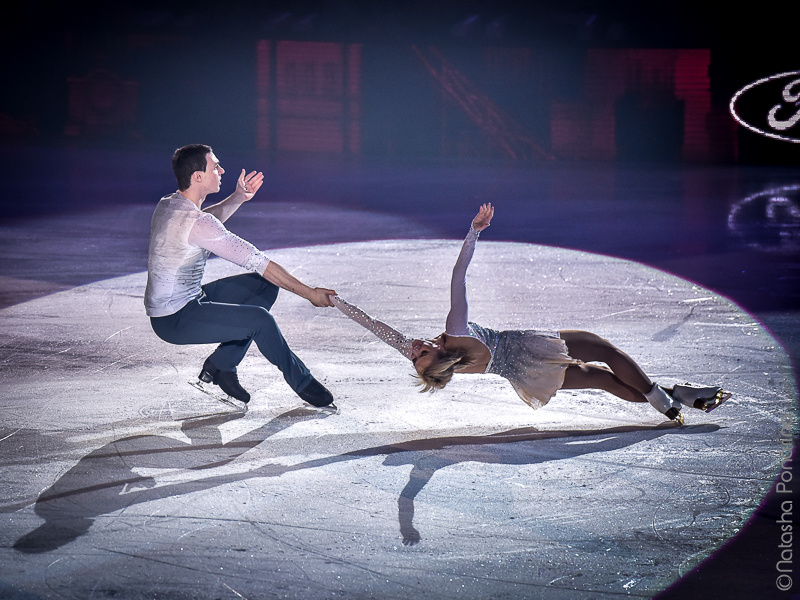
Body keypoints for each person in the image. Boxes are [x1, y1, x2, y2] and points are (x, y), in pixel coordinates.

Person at [331, 204, 729, 424]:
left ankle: (677, 397)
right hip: (530, 348)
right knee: (604, 351)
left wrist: (337, 303)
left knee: (603, 381)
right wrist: (474, 232)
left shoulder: (443, 358)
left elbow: (377, 328)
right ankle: (664, 400)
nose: (414, 347)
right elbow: (458, 275)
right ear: (440, 355)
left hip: (524, 375)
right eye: (421, 353)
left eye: (414, 354)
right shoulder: (455, 331)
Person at [145, 144, 336, 408]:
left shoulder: (169, 204)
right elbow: (258, 261)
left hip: (189, 300)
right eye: (215, 167)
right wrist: (310, 293)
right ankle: (303, 382)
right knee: (260, 320)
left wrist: (238, 197)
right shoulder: (197, 222)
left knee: (263, 287)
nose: (222, 171)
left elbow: (205, 220)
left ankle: (222, 365)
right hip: (173, 318)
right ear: (198, 176)